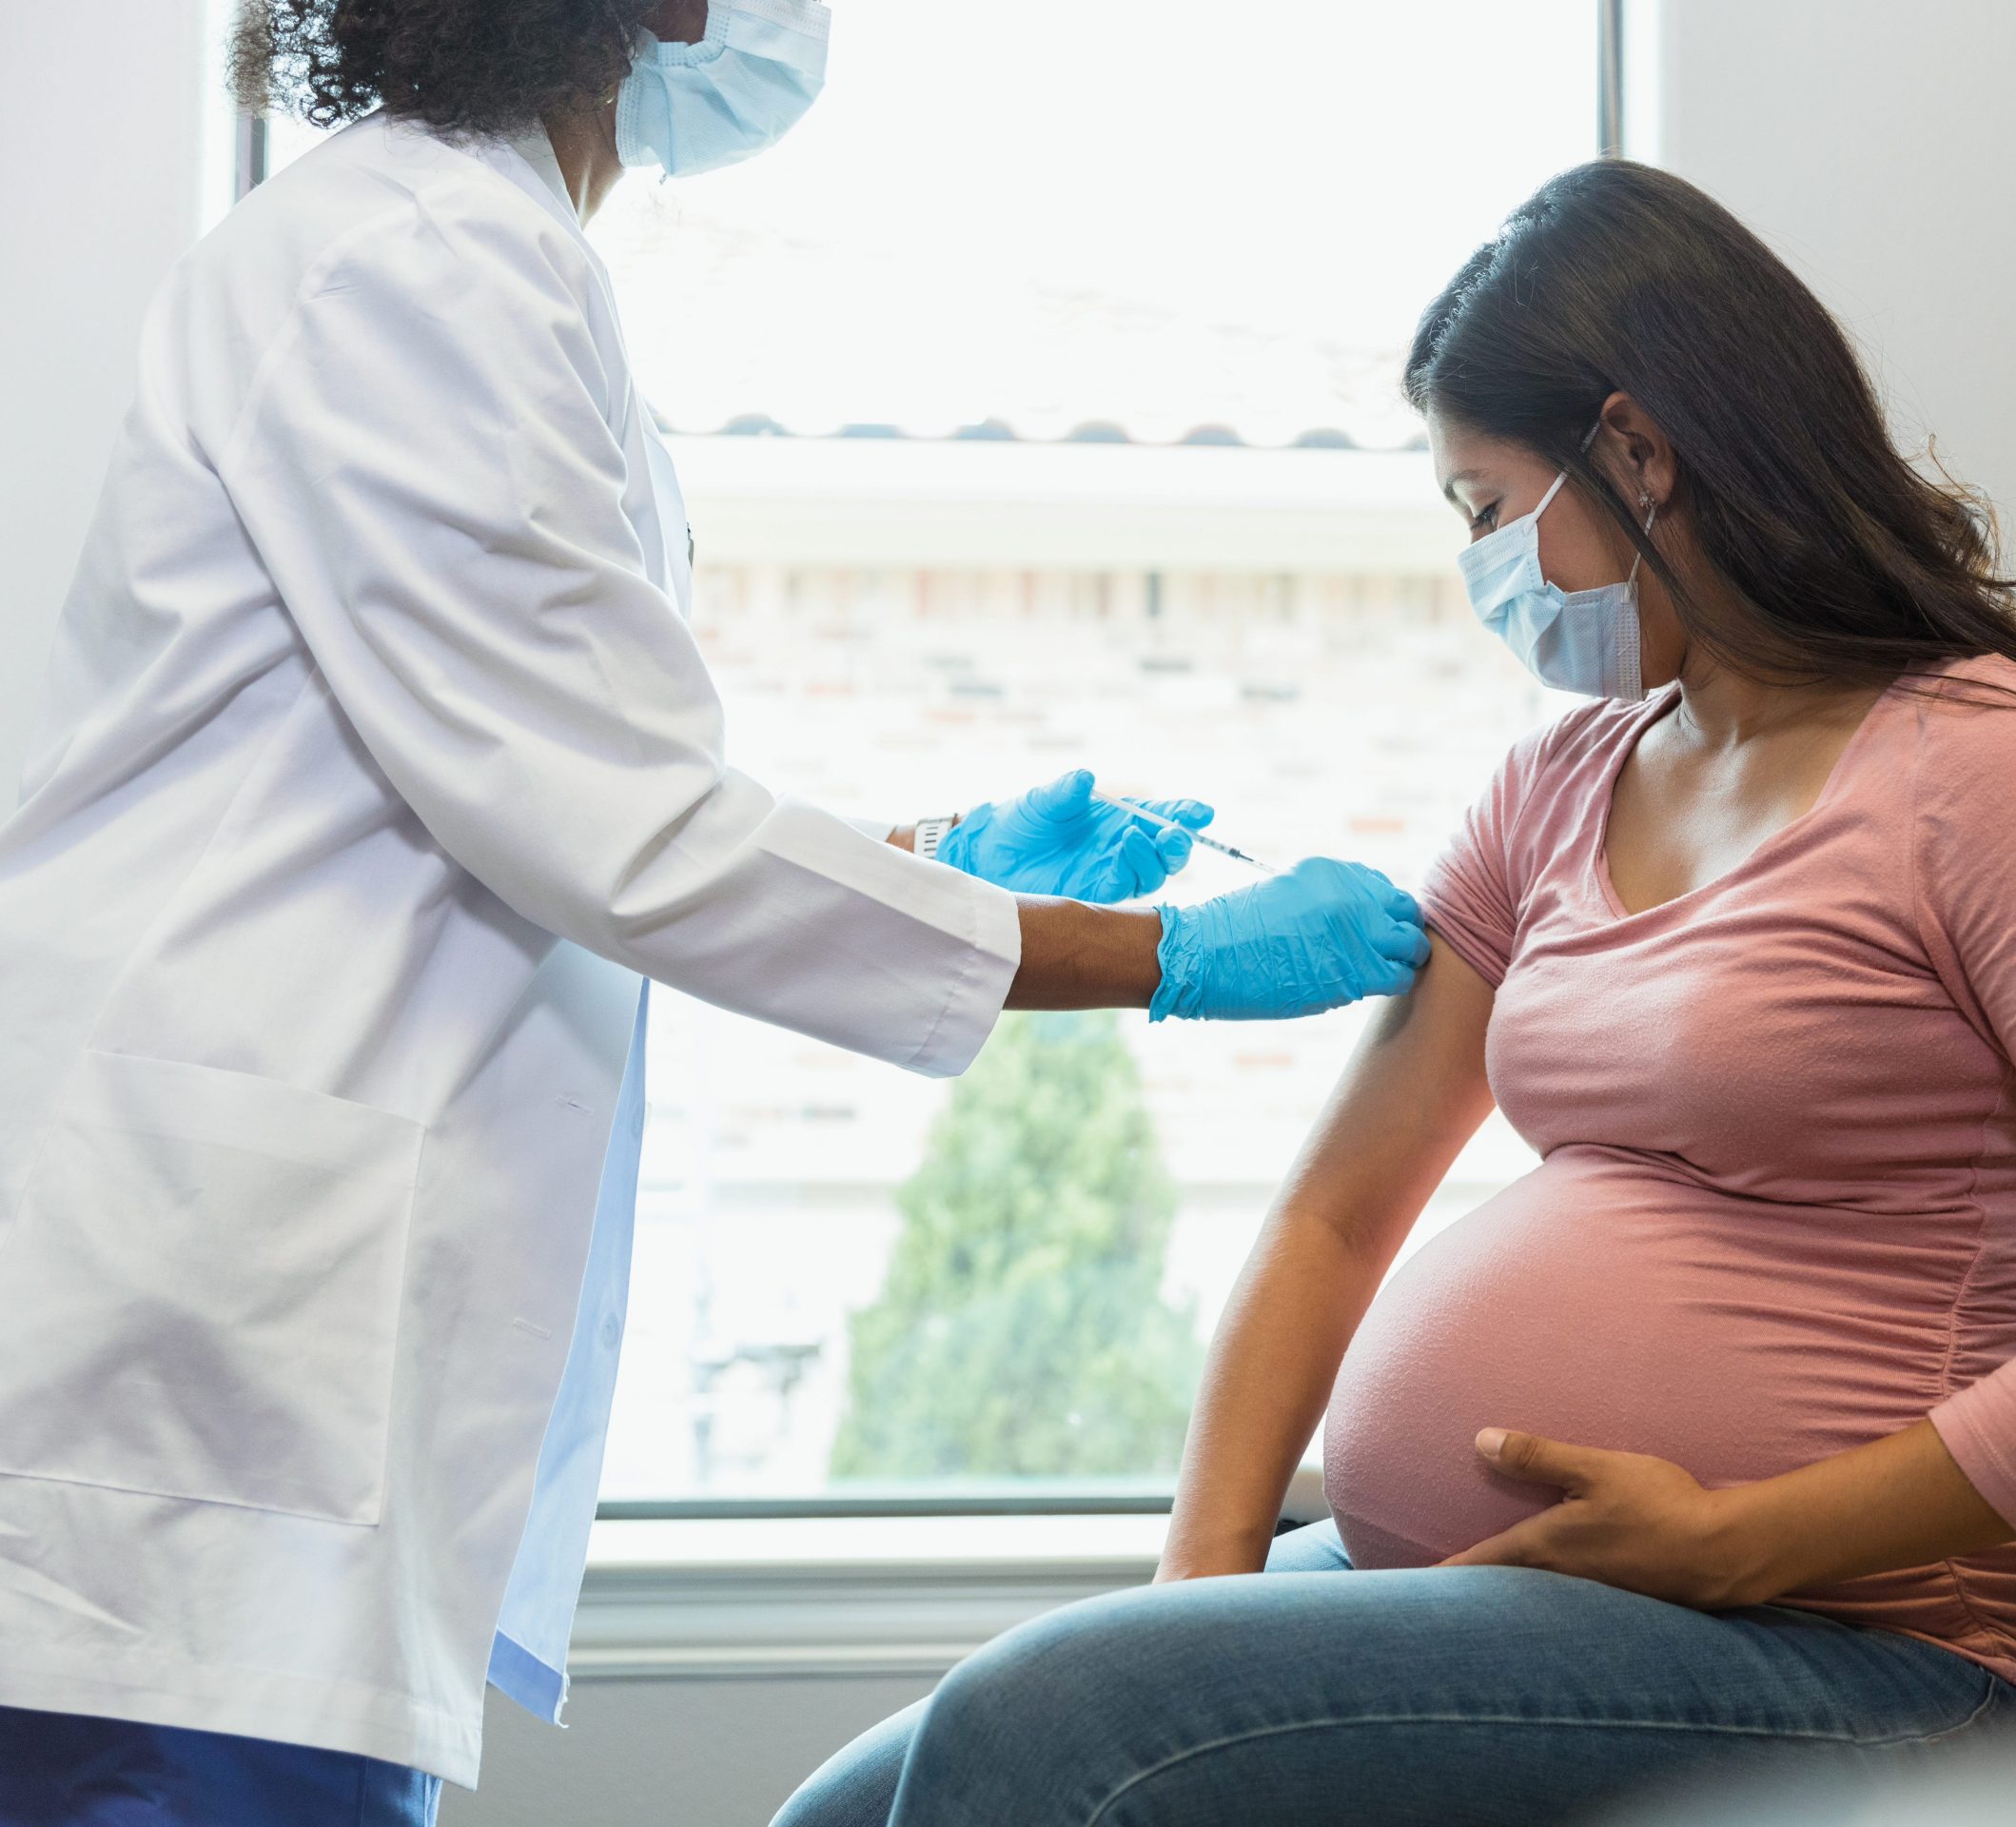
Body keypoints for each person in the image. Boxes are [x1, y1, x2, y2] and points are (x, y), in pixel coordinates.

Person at [0, 2, 1429, 1820]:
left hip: (266, 1349)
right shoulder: (411, 263)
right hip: (196, 1371)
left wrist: (934, 861)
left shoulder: (486, 255)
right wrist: (1168, 960)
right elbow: (622, 830)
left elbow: (557, 782)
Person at [773, 160, 2016, 1827]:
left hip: (1878, 1659)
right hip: (1507, 1602)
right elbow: (1332, 1222)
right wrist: (1199, 1585)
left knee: (1045, 1728)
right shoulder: (1558, 784)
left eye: (1489, 508)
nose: (1483, 567)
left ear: (1640, 452)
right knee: (856, 1806)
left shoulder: (1991, 773)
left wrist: (1736, 1539)